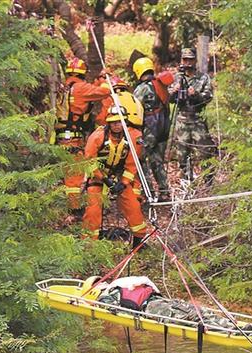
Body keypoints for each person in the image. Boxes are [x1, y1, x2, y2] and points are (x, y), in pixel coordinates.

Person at [82, 95, 148, 247]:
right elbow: (89, 161)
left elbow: (132, 165)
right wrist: (104, 179)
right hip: (99, 177)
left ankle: (138, 241)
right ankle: (90, 244)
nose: (117, 125)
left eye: (120, 122)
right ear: (108, 123)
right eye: (113, 122)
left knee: (133, 205)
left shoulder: (134, 137)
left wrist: (123, 183)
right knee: (93, 208)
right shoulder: (98, 136)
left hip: (119, 178)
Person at [56, 58, 110, 221]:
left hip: (62, 137)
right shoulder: (80, 88)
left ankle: (72, 207)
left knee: (69, 174)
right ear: (82, 74)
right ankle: (74, 210)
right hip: (73, 139)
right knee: (74, 176)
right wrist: (104, 79)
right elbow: (104, 92)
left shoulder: (64, 88)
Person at [168, 48, 217, 181]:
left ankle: (208, 182)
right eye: (185, 60)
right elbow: (168, 98)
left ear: (195, 61)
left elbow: (208, 97)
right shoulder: (176, 78)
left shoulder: (203, 77)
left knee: (205, 152)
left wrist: (195, 94)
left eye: (190, 60)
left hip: (198, 120)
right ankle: (187, 182)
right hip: (181, 121)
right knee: (182, 155)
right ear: (181, 60)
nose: (188, 63)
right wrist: (174, 91)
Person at [132, 57, 173, 201]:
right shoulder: (161, 84)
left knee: (141, 158)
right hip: (164, 128)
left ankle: (147, 192)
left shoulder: (142, 88)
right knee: (157, 160)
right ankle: (164, 191)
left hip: (150, 129)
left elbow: (134, 107)